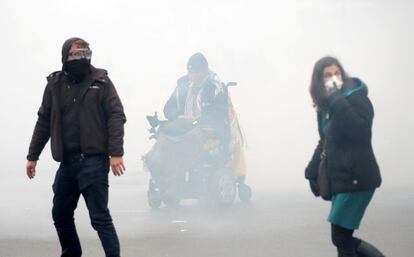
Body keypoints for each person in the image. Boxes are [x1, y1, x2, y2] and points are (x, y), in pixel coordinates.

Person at [26, 37, 126, 257]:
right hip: (67, 162)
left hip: (94, 161)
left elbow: (116, 115)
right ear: (65, 57)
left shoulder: (101, 82)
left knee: (99, 218)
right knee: (60, 213)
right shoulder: (55, 85)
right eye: (76, 54)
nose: (81, 58)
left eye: (85, 54)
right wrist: (32, 156)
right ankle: (71, 253)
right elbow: (43, 120)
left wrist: (116, 153)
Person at [305, 56, 385, 257]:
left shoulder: (356, 97)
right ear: (319, 81)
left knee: (341, 238)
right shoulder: (325, 108)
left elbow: (361, 129)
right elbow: (325, 141)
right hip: (343, 180)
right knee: (342, 238)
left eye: (337, 73)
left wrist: (337, 100)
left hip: (358, 177)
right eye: (328, 75)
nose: (333, 78)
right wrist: (312, 170)